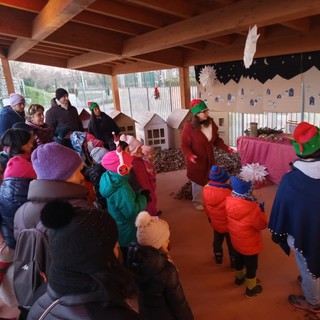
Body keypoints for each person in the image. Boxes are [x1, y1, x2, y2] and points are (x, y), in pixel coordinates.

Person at [27, 199, 140, 319]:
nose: (118, 247)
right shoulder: (113, 314)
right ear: (95, 260)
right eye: (113, 245)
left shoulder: (41, 294)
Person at [269, 122, 320, 313]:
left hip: (307, 236)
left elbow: (282, 211)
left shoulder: (291, 181)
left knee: (307, 263)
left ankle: (314, 301)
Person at [127, 211, 194, 320]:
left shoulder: (134, 258)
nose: (168, 241)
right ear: (157, 244)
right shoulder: (167, 271)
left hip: (146, 312)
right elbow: (178, 304)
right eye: (165, 240)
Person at [0, 128, 36, 307]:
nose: (32, 142)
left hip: (12, 237)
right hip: (17, 241)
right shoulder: (25, 169)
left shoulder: (14, 165)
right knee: (25, 273)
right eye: (29, 140)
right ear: (21, 145)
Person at [180, 99, 233, 211]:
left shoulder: (211, 123)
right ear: (196, 114)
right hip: (196, 160)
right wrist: (190, 156)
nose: (206, 113)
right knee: (198, 181)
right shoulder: (189, 128)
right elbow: (184, 145)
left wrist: (227, 148)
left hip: (209, 158)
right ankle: (197, 201)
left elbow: (216, 139)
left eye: (207, 110)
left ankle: (210, 198)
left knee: (211, 178)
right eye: (203, 111)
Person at [99, 144, 148, 263]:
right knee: (131, 258)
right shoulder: (122, 189)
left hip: (118, 225)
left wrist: (137, 195)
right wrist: (143, 199)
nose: (131, 166)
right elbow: (131, 212)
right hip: (128, 230)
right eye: (129, 164)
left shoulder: (110, 178)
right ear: (121, 168)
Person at [226, 176, 268, 298]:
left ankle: (238, 279)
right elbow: (261, 225)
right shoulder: (253, 209)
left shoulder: (229, 201)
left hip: (236, 241)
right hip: (250, 246)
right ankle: (251, 289)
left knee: (238, 261)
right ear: (249, 192)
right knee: (251, 267)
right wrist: (262, 212)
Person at [203, 165, 235, 267]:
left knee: (217, 240)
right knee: (232, 244)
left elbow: (206, 207)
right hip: (228, 225)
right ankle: (234, 261)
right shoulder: (229, 192)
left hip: (215, 222)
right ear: (223, 180)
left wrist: (210, 218)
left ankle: (218, 256)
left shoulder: (206, 189)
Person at [141, 145, 160, 216]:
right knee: (151, 199)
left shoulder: (148, 163)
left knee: (154, 198)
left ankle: (154, 211)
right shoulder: (145, 164)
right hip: (149, 184)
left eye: (153, 154)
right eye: (151, 154)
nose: (153, 156)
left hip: (152, 184)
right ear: (145, 155)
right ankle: (151, 214)